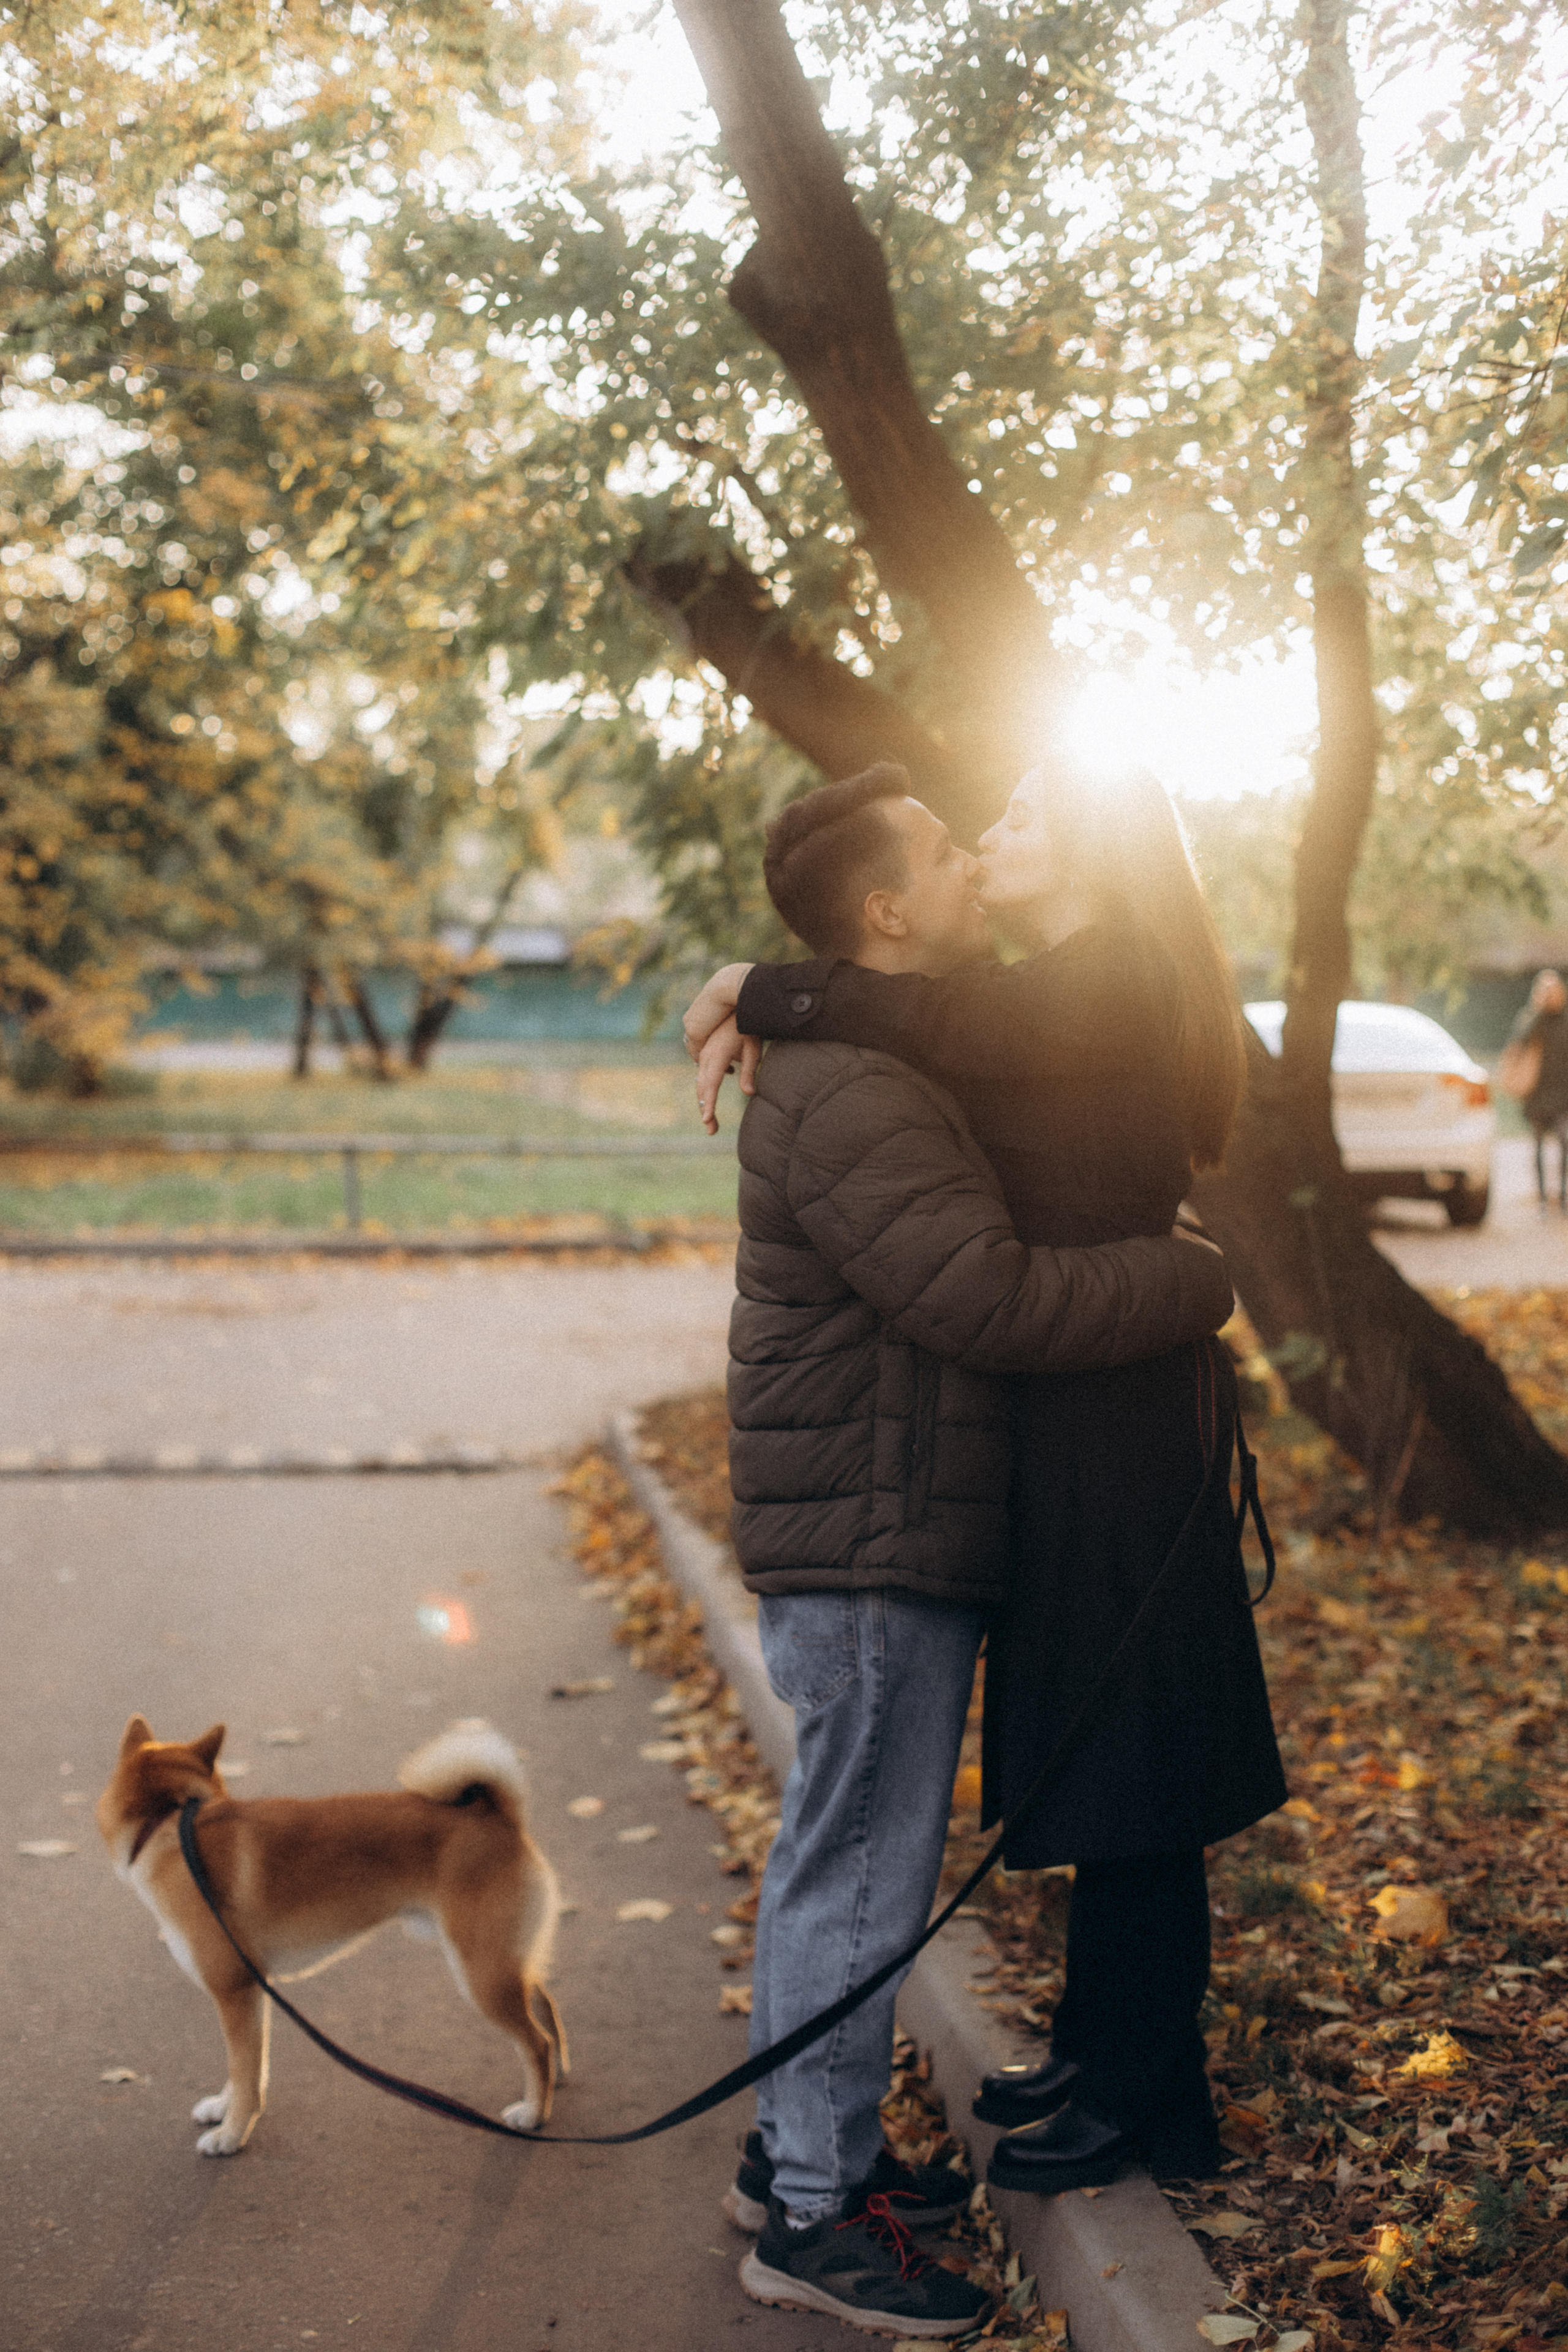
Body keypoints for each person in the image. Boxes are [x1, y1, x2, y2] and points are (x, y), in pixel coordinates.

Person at [686, 756, 1287, 2208]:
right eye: (971, 831)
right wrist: (762, 984)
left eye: (1012, 821)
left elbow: (918, 1006)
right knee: (1100, 1740)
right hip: (1075, 1401)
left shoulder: (1108, 972)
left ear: (1080, 855)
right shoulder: (1054, 990)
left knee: (1136, 1757)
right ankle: (1097, 2044)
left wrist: (760, 985)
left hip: (1122, 1403)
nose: (987, 843)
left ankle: (1150, 2088)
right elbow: (918, 1015)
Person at [1507, 969, 1568, 1210]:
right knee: (1539, 1144)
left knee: (1565, 1140)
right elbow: (1519, 1041)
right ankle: (1543, 1197)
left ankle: (1563, 1195)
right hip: (1537, 1093)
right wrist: (1538, 1010)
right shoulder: (1531, 1017)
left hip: (1562, 1092)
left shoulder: (1565, 1020)